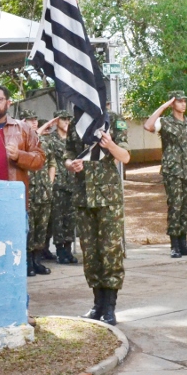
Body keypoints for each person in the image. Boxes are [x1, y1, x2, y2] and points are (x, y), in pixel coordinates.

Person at [65, 110, 130, 325]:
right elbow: (67, 155)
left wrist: (110, 145)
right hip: (83, 197)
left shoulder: (113, 121)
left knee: (110, 252)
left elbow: (125, 156)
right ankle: (97, 305)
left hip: (107, 198)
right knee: (90, 253)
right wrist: (70, 165)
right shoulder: (77, 123)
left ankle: (110, 308)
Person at [145, 91, 187, 259]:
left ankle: (184, 244)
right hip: (173, 170)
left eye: (185, 101)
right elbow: (148, 126)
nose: (183, 104)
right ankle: (174, 245)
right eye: (179, 101)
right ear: (172, 104)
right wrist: (163, 106)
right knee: (175, 206)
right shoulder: (165, 122)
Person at [41, 110, 78, 264]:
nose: (66, 122)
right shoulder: (51, 139)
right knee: (57, 219)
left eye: (68, 119)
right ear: (56, 121)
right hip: (58, 183)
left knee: (70, 217)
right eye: (63, 119)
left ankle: (68, 249)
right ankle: (60, 250)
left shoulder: (73, 139)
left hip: (72, 183)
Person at [20, 110, 52, 276]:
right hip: (29, 192)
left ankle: (37, 261)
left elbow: (51, 163)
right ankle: (28, 263)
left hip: (43, 191)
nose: (33, 123)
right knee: (29, 230)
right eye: (29, 120)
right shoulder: (20, 140)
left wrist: (50, 184)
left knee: (41, 229)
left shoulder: (43, 142)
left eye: (35, 120)